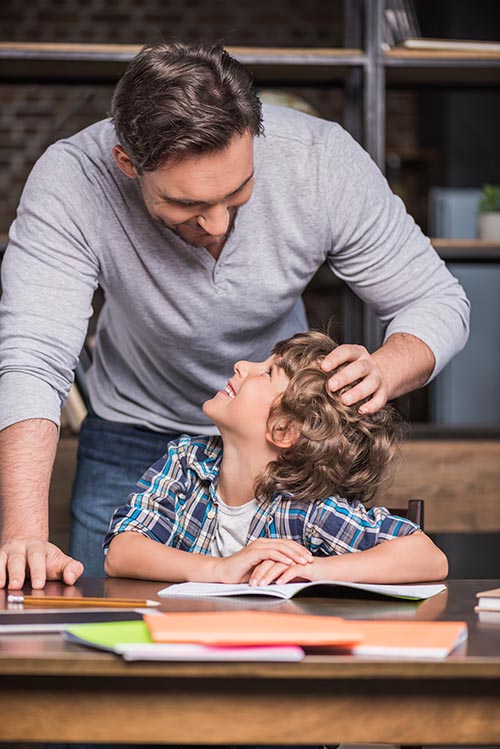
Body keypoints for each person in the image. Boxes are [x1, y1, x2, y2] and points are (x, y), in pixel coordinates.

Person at [0, 41, 467, 587]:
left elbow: (437, 300)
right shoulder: (72, 181)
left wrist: (387, 368)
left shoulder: (319, 161)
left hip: (278, 457)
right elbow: (33, 359)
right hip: (132, 432)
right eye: (187, 205)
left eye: (238, 192)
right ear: (128, 162)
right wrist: (23, 532)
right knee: (105, 635)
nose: (218, 224)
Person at [104, 331, 447, 583]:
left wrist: (309, 569)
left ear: (283, 430)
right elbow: (121, 553)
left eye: (267, 373)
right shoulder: (184, 462)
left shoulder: (304, 508)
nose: (241, 366)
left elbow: (428, 558)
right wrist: (220, 570)